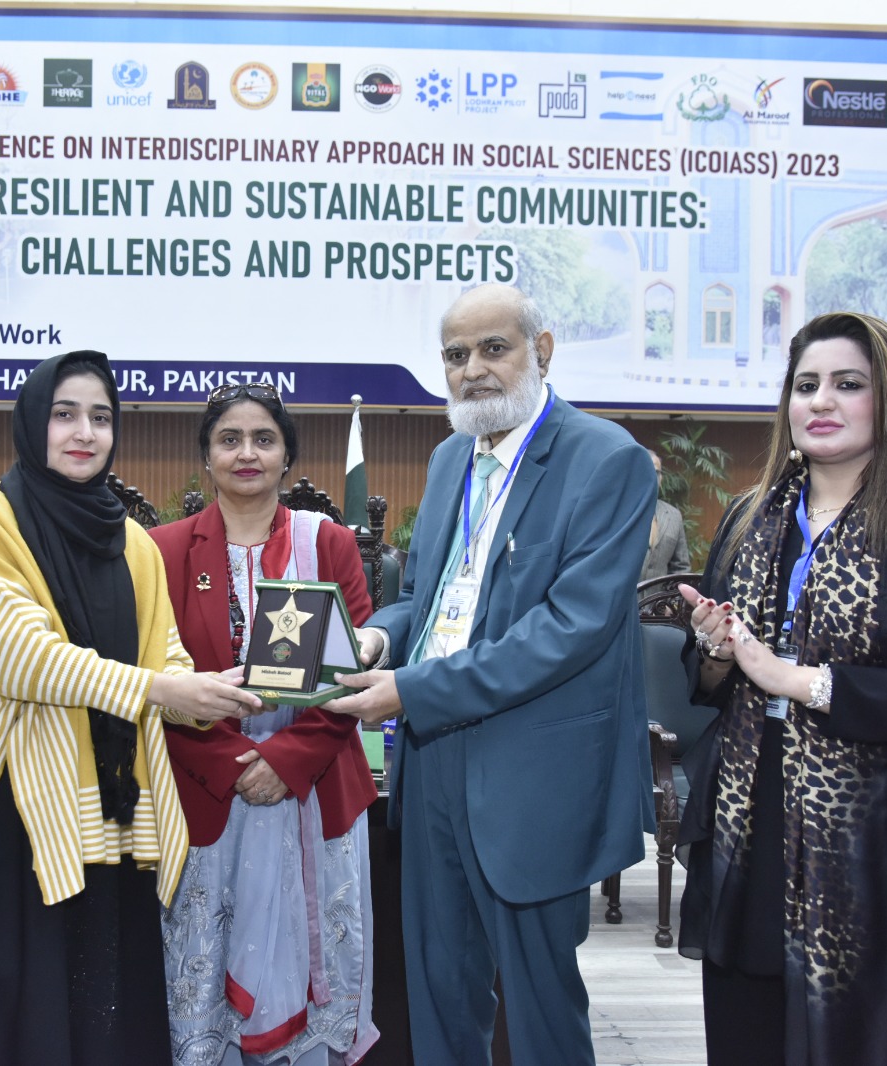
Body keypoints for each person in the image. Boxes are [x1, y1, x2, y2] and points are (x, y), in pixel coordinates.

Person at [0, 350, 261, 1065]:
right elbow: (18, 655)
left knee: (101, 1013)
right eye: (65, 414)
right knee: (16, 1013)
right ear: (30, 422)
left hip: (105, 813)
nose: (85, 432)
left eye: (101, 418)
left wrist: (209, 693)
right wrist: (161, 691)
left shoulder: (131, 541)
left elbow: (163, 656)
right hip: (4, 813)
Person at [326, 283, 657, 1065]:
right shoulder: (450, 459)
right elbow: (428, 598)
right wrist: (377, 637)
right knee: (440, 992)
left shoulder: (606, 460)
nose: (472, 369)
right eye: (455, 354)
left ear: (541, 351)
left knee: (541, 1013)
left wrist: (413, 689)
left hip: (532, 772)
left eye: (492, 348)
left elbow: (568, 629)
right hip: (432, 762)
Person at [674, 312, 887, 1066]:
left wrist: (801, 682)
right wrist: (717, 651)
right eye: (805, 384)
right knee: (747, 1032)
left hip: (876, 835)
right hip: (751, 817)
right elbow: (710, 684)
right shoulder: (750, 519)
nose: (821, 401)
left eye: (848, 384)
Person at [150, 382, 380, 1065]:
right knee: (207, 990)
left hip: (315, 791)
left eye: (263, 439)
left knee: (310, 1000)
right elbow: (153, 674)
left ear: (287, 457)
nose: (246, 453)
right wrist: (235, 765)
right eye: (229, 440)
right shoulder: (162, 551)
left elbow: (351, 673)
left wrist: (287, 759)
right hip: (205, 796)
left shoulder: (329, 543)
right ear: (206, 457)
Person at [640, 450, 691, 581]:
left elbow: (681, 569)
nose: (652, 477)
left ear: (661, 478)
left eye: (657, 473)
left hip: (659, 594)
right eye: (646, 470)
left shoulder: (674, 516)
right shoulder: (618, 513)